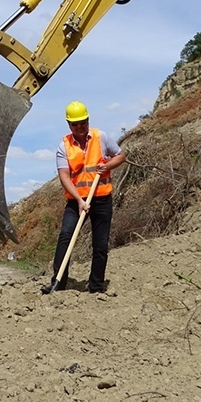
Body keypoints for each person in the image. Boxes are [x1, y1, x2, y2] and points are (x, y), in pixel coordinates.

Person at [43, 101, 125, 295]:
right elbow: (64, 176)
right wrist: (79, 200)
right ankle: (59, 282)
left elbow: (121, 156)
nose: (79, 127)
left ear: (88, 120)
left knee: (100, 243)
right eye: (75, 124)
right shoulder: (64, 146)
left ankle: (96, 287)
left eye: (83, 122)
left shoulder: (101, 137)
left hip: (102, 199)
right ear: (69, 125)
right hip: (76, 201)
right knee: (65, 237)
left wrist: (107, 166)